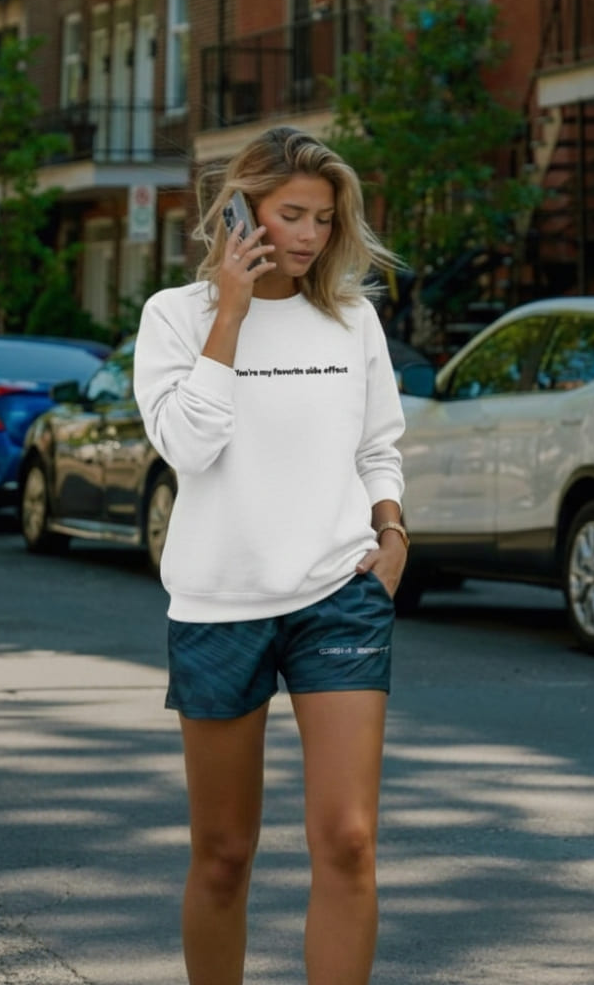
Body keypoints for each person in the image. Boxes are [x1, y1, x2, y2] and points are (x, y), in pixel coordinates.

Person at [133, 126, 408, 985]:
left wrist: (393, 534)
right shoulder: (173, 317)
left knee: (350, 840)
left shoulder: (351, 319)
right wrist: (231, 314)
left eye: (324, 220)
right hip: (220, 604)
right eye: (292, 214)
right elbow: (189, 445)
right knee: (223, 852)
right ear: (243, 210)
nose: (309, 236)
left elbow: (379, 446)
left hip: (339, 594)